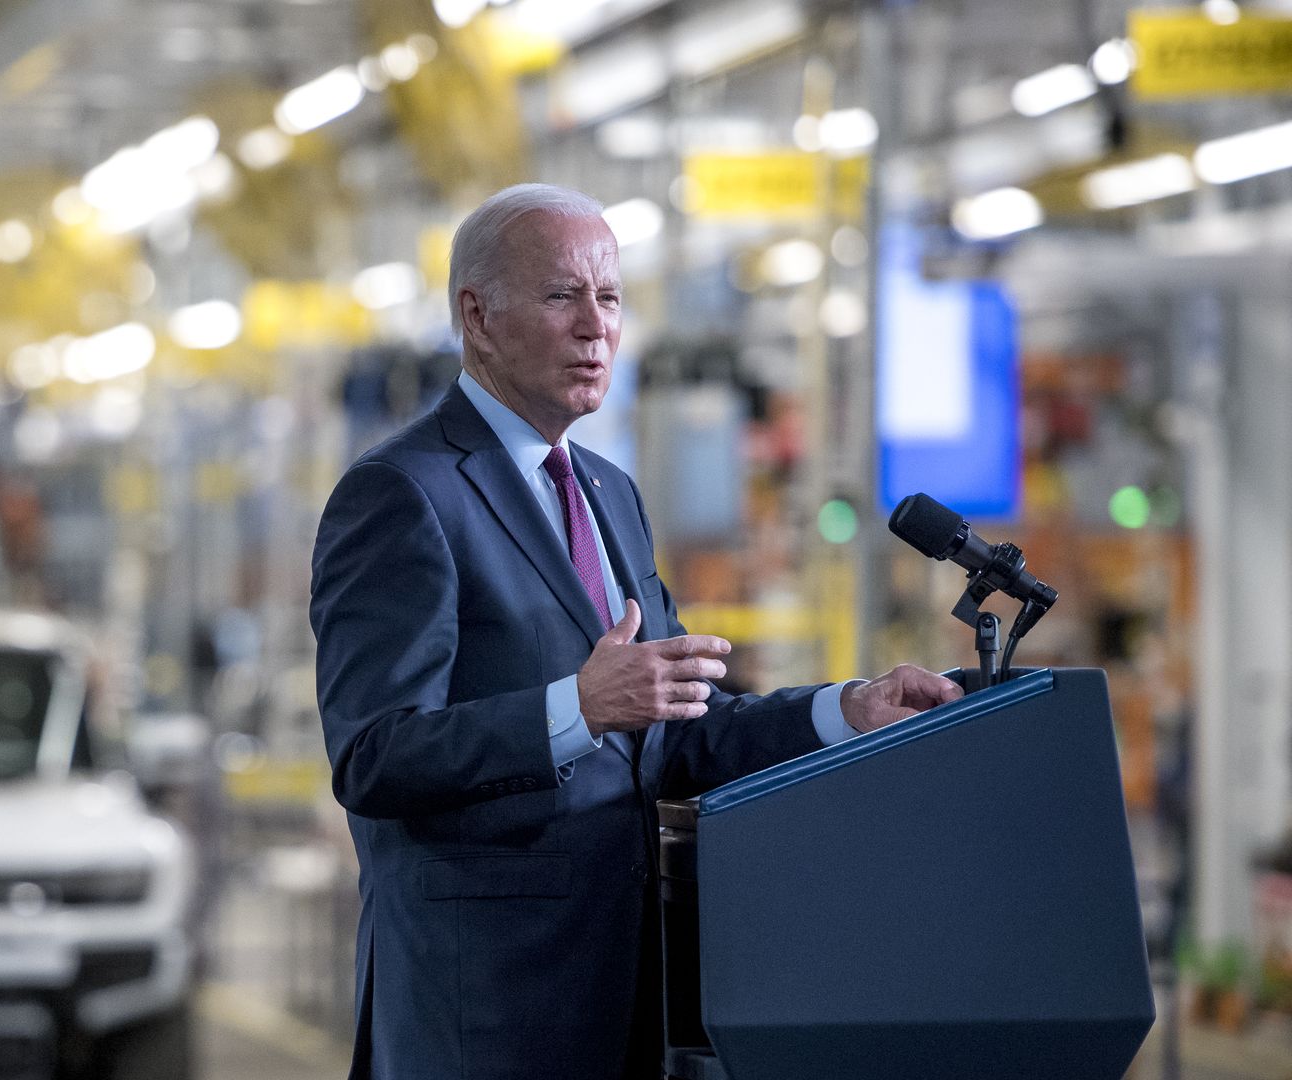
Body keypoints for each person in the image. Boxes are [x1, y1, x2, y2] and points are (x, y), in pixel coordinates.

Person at [308, 183, 963, 1080]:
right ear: (478, 316)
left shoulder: (609, 491)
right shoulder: (402, 493)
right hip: (483, 1011)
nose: (595, 327)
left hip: (628, 996)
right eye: (560, 296)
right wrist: (573, 709)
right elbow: (375, 757)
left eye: (610, 298)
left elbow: (671, 715)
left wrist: (845, 711)